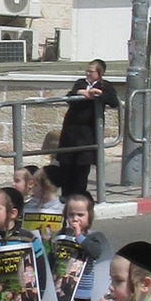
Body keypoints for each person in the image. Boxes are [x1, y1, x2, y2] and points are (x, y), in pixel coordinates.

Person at [54, 61, 119, 199]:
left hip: (88, 132)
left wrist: (99, 94)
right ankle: (66, 196)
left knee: (82, 167)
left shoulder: (105, 85)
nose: (88, 73)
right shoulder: (80, 83)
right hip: (71, 130)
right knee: (66, 165)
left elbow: (113, 102)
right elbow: (69, 97)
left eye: (92, 71)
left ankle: (78, 197)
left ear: (99, 73)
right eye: (87, 71)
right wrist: (79, 92)